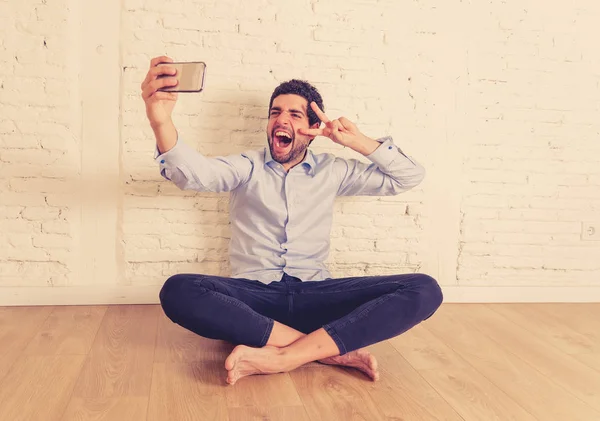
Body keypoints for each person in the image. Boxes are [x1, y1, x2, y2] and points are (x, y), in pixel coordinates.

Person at [141, 56, 443, 385]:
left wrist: (353, 141)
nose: (280, 119)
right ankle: (327, 350)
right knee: (179, 290)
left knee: (424, 289)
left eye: (294, 114)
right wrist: (160, 120)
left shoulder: (334, 170)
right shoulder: (247, 166)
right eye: (275, 113)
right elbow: (193, 175)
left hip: (317, 296)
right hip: (255, 301)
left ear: (313, 130)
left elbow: (408, 176)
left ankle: (284, 355)